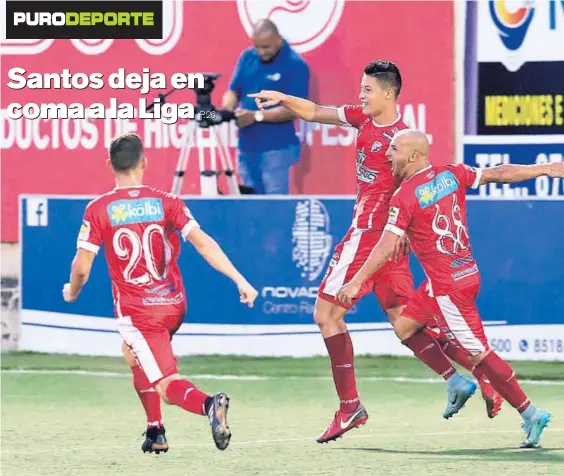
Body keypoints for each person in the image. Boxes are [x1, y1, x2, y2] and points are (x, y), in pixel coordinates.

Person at [249, 60, 501, 444]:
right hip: (388, 243)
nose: (360, 95)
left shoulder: (403, 142)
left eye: (367, 90)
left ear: (388, 93)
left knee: (326, 315)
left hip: (370, 235)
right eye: (361, 89)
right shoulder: (362, 120)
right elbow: (317, 111)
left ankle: (350, 406)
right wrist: (284, 97)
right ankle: (466, 378)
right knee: (405, 324)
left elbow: (419, 185)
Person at [336, 129, 562, 447]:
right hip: (458, 275)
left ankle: (531, 413)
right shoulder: (451, 173)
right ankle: (455, 381)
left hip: (448, 288)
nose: (388, 154)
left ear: (414, 156)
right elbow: (500, 173)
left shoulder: (405, 195)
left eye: (395, 149)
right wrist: (543, 168)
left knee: (481, 355)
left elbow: (386, 244)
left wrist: (357, 280)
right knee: (404, 327)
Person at [62, 133, 258, 453]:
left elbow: (82, 267)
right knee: (132, 352)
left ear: (109, 164)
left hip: (140, 313)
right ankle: (156, 432)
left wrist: (72, 291)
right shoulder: (168, 201)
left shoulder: (99, 209)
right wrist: (240, 279)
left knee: (167, 384)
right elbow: (203, 243)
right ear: (144, 163)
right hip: (174, 303)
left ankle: (209, 405)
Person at [222, 18, 310, 194]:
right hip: (246, 147)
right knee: (248, 204)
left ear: (278, 39)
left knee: (275, 208)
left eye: (267, 47)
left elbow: (294, 108)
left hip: (276, 149)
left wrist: (256, 116)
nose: (262, 52)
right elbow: (232, 91)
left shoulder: (295, 65)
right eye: (258, 47)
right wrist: (228, 108)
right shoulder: (248, 57)